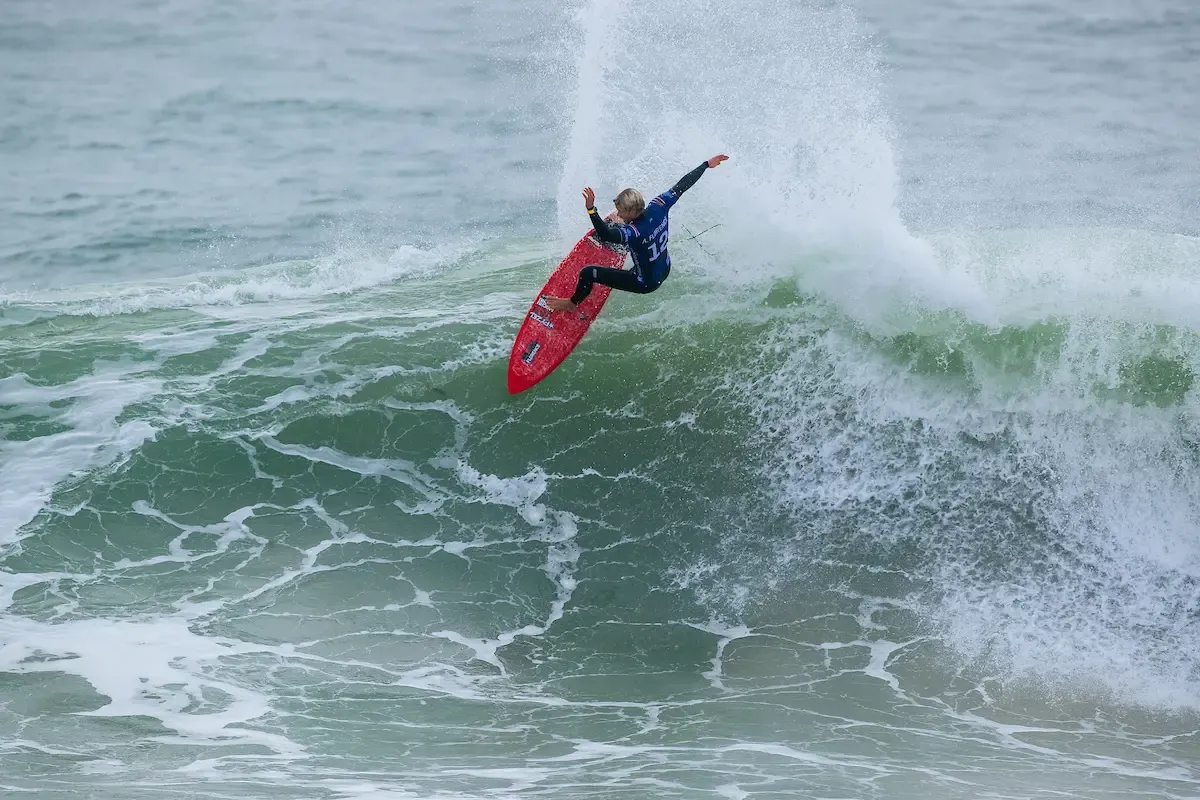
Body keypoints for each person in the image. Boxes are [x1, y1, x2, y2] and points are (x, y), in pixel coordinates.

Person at [544, 154, 730, 312]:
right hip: (664, 268)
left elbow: (608, 235)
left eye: (621, 212)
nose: (618, 213)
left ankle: (571, 303)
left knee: (587, 271)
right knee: (623, 235)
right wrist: (706, 164)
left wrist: (592, 210)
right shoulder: (659, 205)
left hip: (644, 283)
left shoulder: (634, 232)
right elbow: (682, 185)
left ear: (632, 212)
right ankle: (624, 256)